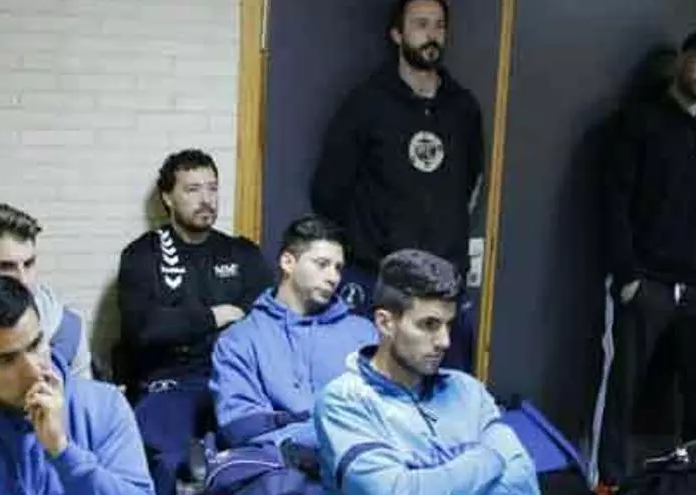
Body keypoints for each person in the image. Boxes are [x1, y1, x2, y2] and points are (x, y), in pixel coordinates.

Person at [600, 28, 696, 483]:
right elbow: (614, 202)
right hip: (649, 282)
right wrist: (628, 276)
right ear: (682, 58)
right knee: (623, 391)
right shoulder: (639, 121)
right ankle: (610, 481)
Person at [311, 0, 483, 371]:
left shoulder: (463, 108)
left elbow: (470, 183)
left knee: (448, 390)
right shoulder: (366, 103)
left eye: (439, 25)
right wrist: (371, 239)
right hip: (379, 281)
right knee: (373, 388)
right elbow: (328, 191)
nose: (431, 34)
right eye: (420, 24)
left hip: (444, 283)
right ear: (397, 34)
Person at [314, 249, 540, 494]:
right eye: (429, 325)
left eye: (448, 325)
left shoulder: (468, 390)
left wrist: (433, 481)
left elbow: (523, 483)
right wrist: (490, 458)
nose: (445, 342)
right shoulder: (344, 400)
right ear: (385, 323)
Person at [117, 149, 274, 494]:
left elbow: (264, 320)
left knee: (258, 457)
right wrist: (214, 316)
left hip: (235, 379)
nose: (206, 199)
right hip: (169, 384)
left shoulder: (242, 253)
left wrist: (179, 321)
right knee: (173, 465)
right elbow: (143, 329)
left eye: (212, 188)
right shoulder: (142, 255)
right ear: (167, 198)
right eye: (192, 189)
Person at [209, 215, 378, 493]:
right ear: (288, 262)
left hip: (359, 470)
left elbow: (385, 411)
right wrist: (309, 444)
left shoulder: (364, 334)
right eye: (322, 264)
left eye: (338, 267)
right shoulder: (238, 340)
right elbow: (242, 425)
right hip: (280, 474)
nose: (333, 277)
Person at [0, 274, 154, 494]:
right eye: (7, 359)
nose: (33, 370)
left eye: (35, 345)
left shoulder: (103, 405)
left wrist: (63, 451)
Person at [0, 202, 92, 378]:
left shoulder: (68, 330)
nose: (23, 280)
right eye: (6, 267)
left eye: (28, 264)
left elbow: (85, 394)